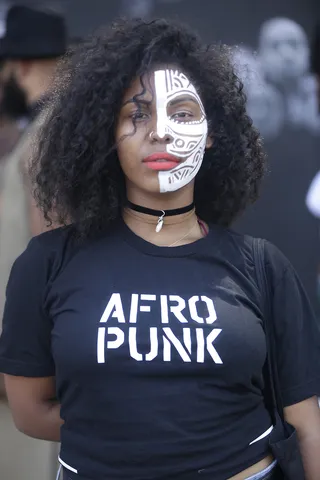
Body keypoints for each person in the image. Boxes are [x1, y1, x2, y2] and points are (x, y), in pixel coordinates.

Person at [0, 18, 320, 480]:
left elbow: (307, 424)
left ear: (212, 134)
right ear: (107, 135)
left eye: (184, 113)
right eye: (137, 114)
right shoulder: (48, 262)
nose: (161, 132)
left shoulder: (262, 266)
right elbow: (31, 410)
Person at [0, 5, 67, 328]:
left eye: (5, 70)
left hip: (29, 338)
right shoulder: (46, 124)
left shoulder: (49, 132)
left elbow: (52, 250)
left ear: (22, 66)